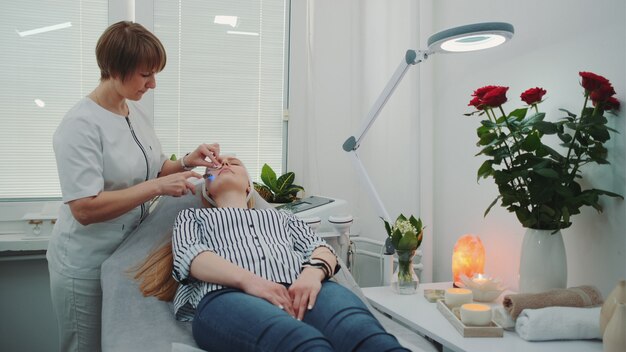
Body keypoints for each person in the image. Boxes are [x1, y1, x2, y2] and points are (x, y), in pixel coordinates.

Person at [48, 21, 223, 352]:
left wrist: (188, 160)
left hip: (125, 257)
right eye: (146, 74)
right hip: (85, 263)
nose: (153, 84)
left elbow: (153, 166)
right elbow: (84, 208)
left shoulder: (132, 112)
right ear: (114, 69)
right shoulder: (79, 125)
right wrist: (157, 187)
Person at [135, 156, 410, 352]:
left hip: (307, 288)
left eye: (234, 163)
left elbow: (322, 250)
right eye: (216, 167)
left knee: (367, 337)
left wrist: (313, 275)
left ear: (248, 186)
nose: (224, 164)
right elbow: (192, 256)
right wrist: (253, 282)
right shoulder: (193, 218)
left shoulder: (284, 219)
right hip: (226, 296)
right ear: (206, 190)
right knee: (304, 344)